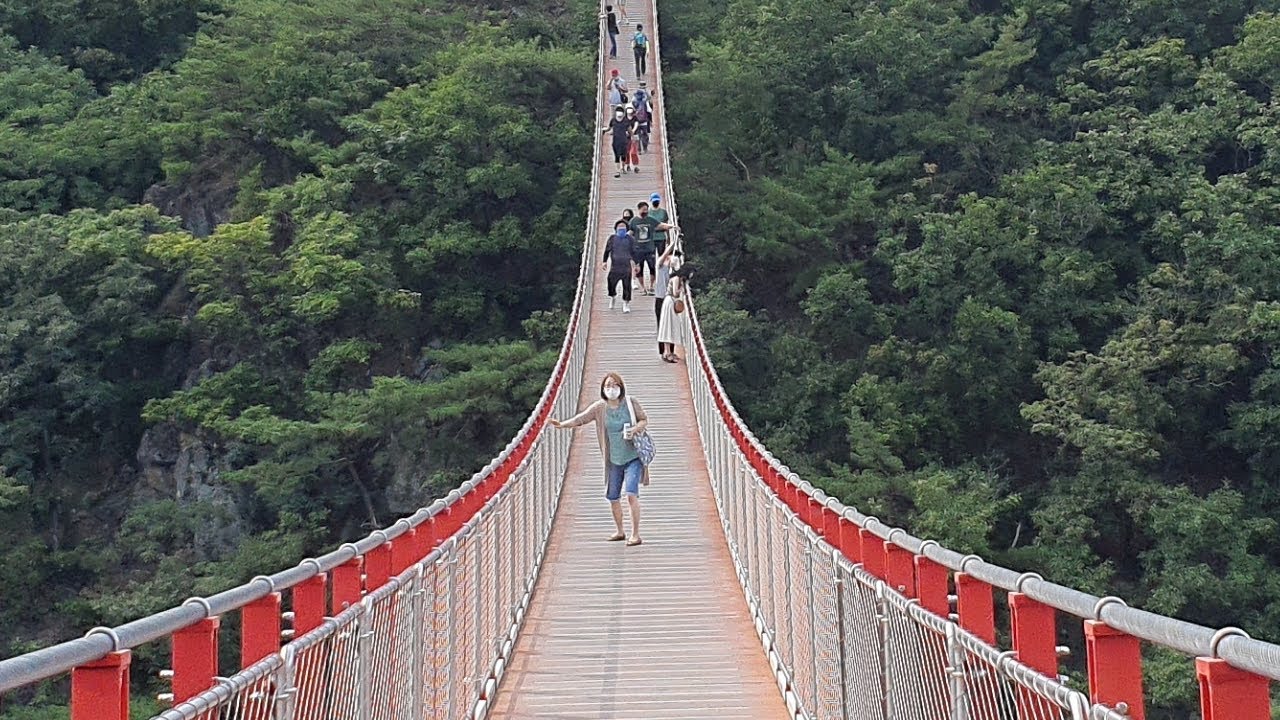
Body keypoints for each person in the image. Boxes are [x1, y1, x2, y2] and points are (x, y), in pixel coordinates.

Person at [549, 373, 650, 545]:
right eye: (608, 385)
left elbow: (644, 420)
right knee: (613, 496)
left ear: (621, 387)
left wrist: (635, 429)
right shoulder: (599, 408)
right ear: (603, 389)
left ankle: (635, 534)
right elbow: (581, 418)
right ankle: (620, 531)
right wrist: (562, 425)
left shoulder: (630, 404)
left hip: (633, 457)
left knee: (631, 494)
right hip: (613, 460)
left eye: (615, 385)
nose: (612, 389)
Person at [629, 201, 677, 294]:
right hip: (638, 249)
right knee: (639, 269)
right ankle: (643, 288)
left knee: (652, 268)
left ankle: (651, 286)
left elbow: (661, 225)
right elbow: (630, 233)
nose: (645, 212)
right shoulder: (633, 221)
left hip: (649, 248)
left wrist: (672, 226)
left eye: (646, 210)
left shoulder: (650, 219)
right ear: (639, 210)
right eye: (643, 210)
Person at [654, 244, 683, 360]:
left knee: (671, 325)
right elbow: (663, 257)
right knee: (663, 326)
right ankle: (664, 352)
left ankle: (670, 351)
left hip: (670, 300)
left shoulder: (675, 272)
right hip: (661, 299)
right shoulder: (660, 267)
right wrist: (671, 247)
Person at [602, 221, 635, 311]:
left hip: (626, 266)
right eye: (619, 227)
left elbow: (634, 252)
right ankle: (612, 296)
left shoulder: (630, 239)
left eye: (623, 227)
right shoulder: (612, 238)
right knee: (611, 283)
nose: (621, 229)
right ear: (616, 228)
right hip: (615, 266)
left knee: (627, 285)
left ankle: (626, 303)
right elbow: (607, 250)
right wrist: (604, 261)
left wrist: (636, 263)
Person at [602, 106, 632, 177]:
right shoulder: (622, 121)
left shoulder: (616, 120)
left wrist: (604, 130)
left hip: (619, 141)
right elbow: (630, 130)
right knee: (620, 156)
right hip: (620, 141)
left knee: (620, 156)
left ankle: (620, 169)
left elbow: (609, 128)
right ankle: (620, 169)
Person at [632, 83, 652, 153]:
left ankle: (639, 150)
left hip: (636, 122)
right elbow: (649, 111)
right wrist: (650, 121)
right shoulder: (644, 102)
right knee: (645, 135)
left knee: (637, 136)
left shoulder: (633, 102)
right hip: (644, 121)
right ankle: (645, 148)